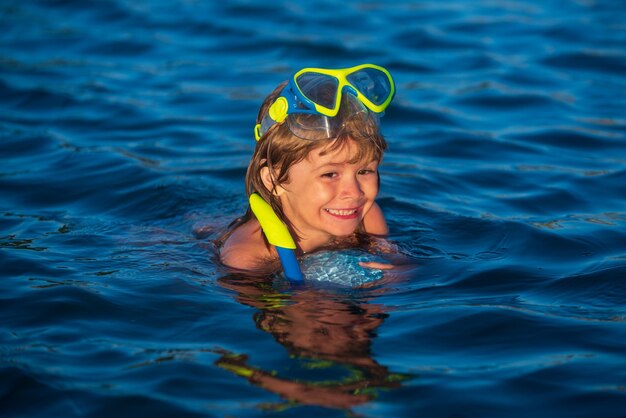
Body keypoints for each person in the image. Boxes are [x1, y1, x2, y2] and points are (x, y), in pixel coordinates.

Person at [218, 64, 395, 273]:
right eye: (330, 174)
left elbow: (398, 267)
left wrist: (392, 277)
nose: (354, 193)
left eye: (364, 171)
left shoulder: (366, 218)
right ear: (274, 180)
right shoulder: (248, 257)